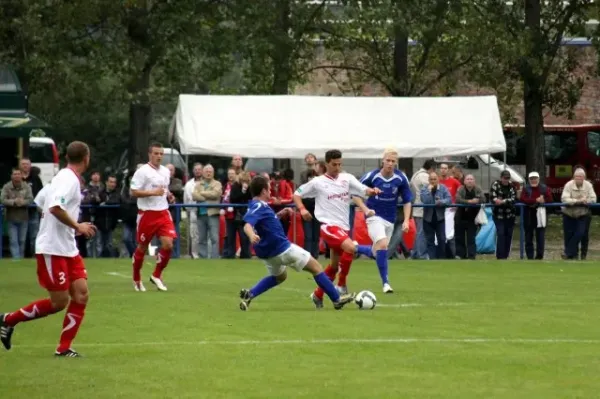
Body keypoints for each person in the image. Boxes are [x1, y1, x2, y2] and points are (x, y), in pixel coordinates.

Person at [0, 141, 97, 357]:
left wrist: (65, 228)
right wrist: (77, 225)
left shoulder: (63, 177)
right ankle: (8, 319)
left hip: (68, 248)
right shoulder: (68, 180)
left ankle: (63, 348)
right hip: (53, 249)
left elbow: (41, 200)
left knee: (81, 295)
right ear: (86, 158)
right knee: (59, 302)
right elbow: (54, 207)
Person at [239, 176, 355, 311]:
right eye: (269, 188)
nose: (271, 191)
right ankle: (337, 299)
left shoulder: (259, 206)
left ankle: (250, 294)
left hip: (268, 253)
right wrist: (252, 235)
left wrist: (280, 214)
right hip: (282, 249)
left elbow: (267, 223)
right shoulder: (258, 205)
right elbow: (247, 225)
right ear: (264, 191)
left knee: (280, 276)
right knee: (316, 267)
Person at [293, 149, 380, 309]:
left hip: (342, 227)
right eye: (334, 164)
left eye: (340, 164)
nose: (337, 167)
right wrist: (302, 209)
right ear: (326, 164)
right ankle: (341, 285)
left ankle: (318, 295)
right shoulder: (317, 182)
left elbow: (363, 190)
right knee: (350, 247)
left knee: (333, 266)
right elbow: (297, 194)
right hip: (328, 226)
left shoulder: (347, 178)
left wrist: (372, 191)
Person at [353, 148, 412, 294]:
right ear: (383, 161)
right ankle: (386, 283)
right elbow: (354, 193)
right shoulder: (372, 176)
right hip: (374, 217)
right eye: (388, 160)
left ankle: (355, 247)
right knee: (383, 245)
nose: (390, 164)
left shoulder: (401, 178)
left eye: (393, 161)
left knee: (377, 251)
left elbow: (407, 201)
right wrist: (365, 210)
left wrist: (406, 220)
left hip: (390, 220)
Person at [130, 142, 177, 292]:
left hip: (163, 212)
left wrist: (169, 195)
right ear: (150, 154)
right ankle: (136, 278)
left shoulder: (165, 171)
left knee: (168, 244)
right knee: (142, 247)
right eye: (156, 153)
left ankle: (156, 275)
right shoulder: (142, 171)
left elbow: (164, 188)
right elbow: (133, 191)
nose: (158, 156)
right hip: (147, 213)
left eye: (161, 154)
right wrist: (152, 193)